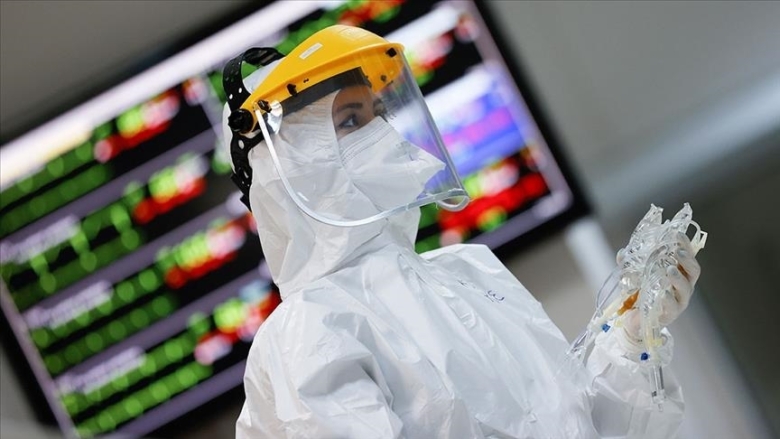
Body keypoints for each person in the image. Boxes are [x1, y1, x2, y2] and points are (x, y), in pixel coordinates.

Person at [221, 25, 700, 439]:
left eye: (378, 114)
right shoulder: (310, 330)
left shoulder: (468, 270)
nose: (382, 135)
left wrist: (633, 338)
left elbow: (589, 426)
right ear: (287, 165)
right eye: (350, 121)